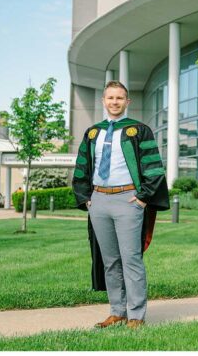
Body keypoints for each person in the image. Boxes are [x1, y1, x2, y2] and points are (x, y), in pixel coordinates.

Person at [71, 80, 170, 329]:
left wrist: (142, 198)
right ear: (103, 101)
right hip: (100, 200)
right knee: (110, 260)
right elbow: (81, 167)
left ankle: (136, 314)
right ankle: (117, 311)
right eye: (110, 98)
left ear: (128, 102)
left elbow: (154, 168)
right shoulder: (93, 133)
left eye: (119, 98)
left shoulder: (139, 130)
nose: (114, 102)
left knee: (131, 258)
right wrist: (87, 199)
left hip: (128, 200)